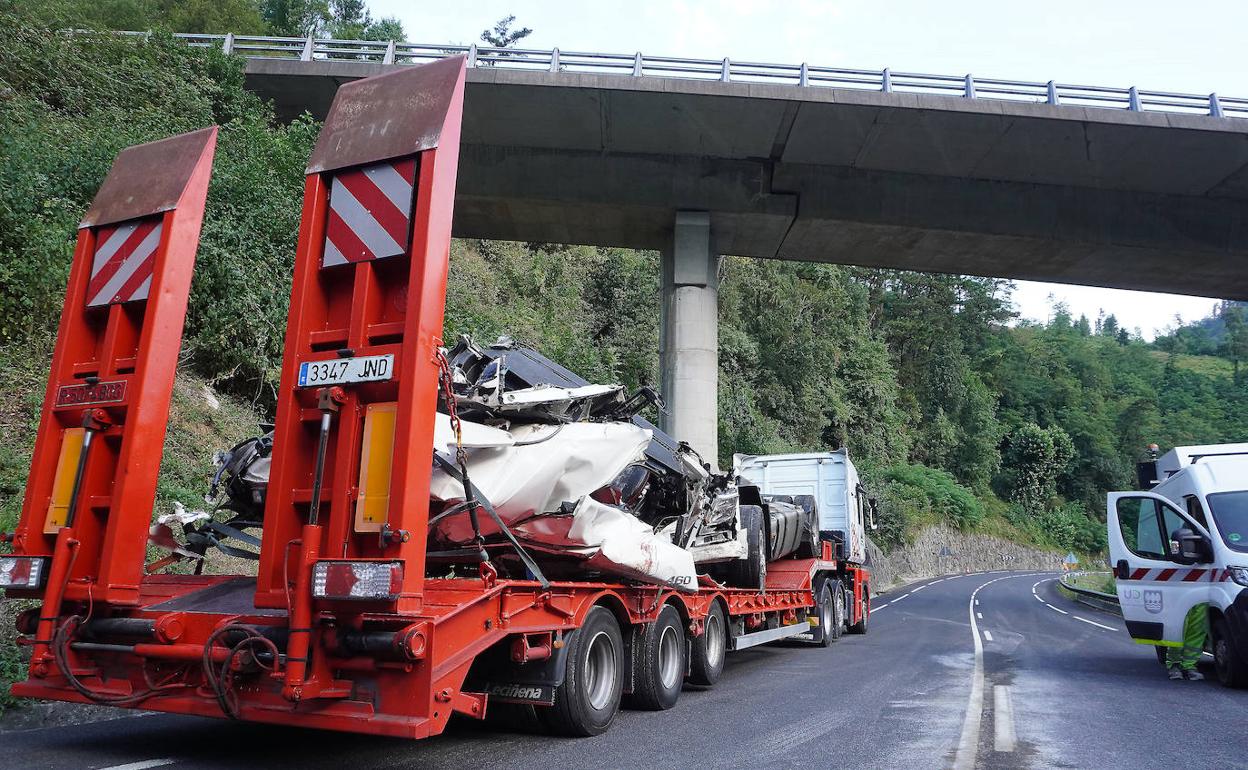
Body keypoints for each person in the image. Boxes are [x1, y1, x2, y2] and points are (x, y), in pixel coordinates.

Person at [1167, 603, 1209, 681]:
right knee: (1179, 628)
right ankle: (1174, 663)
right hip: (1182, 593)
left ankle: (1190, 665)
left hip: (1202, 595)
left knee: (1197, 629)